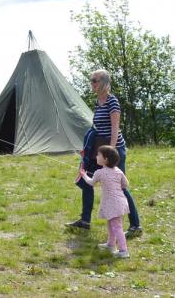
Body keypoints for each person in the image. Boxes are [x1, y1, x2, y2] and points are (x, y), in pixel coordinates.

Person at [68, 70, 143, 239]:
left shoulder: (112, 101)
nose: (91, 83)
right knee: (87, 179)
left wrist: (112, 151)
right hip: (99, 148)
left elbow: (115, 128)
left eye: (94, 80)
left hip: (113, 149)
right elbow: (97, 128)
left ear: (103, 82)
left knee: (120, 186)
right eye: (91, 80)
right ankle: (85, 221)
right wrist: (88, 148)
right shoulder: (98, 102)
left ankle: (136, 225)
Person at [79, 146, 132, 258]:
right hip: (120, 201)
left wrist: (84, 175)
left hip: (113, 203)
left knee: (117, 227)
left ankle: (123, 251)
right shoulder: (118, 171)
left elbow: (91, 182)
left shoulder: (99, 172)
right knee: (111, 223)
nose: (96, 156)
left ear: (106, 159)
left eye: (98, 155)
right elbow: (125, 184)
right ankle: (111, 244)